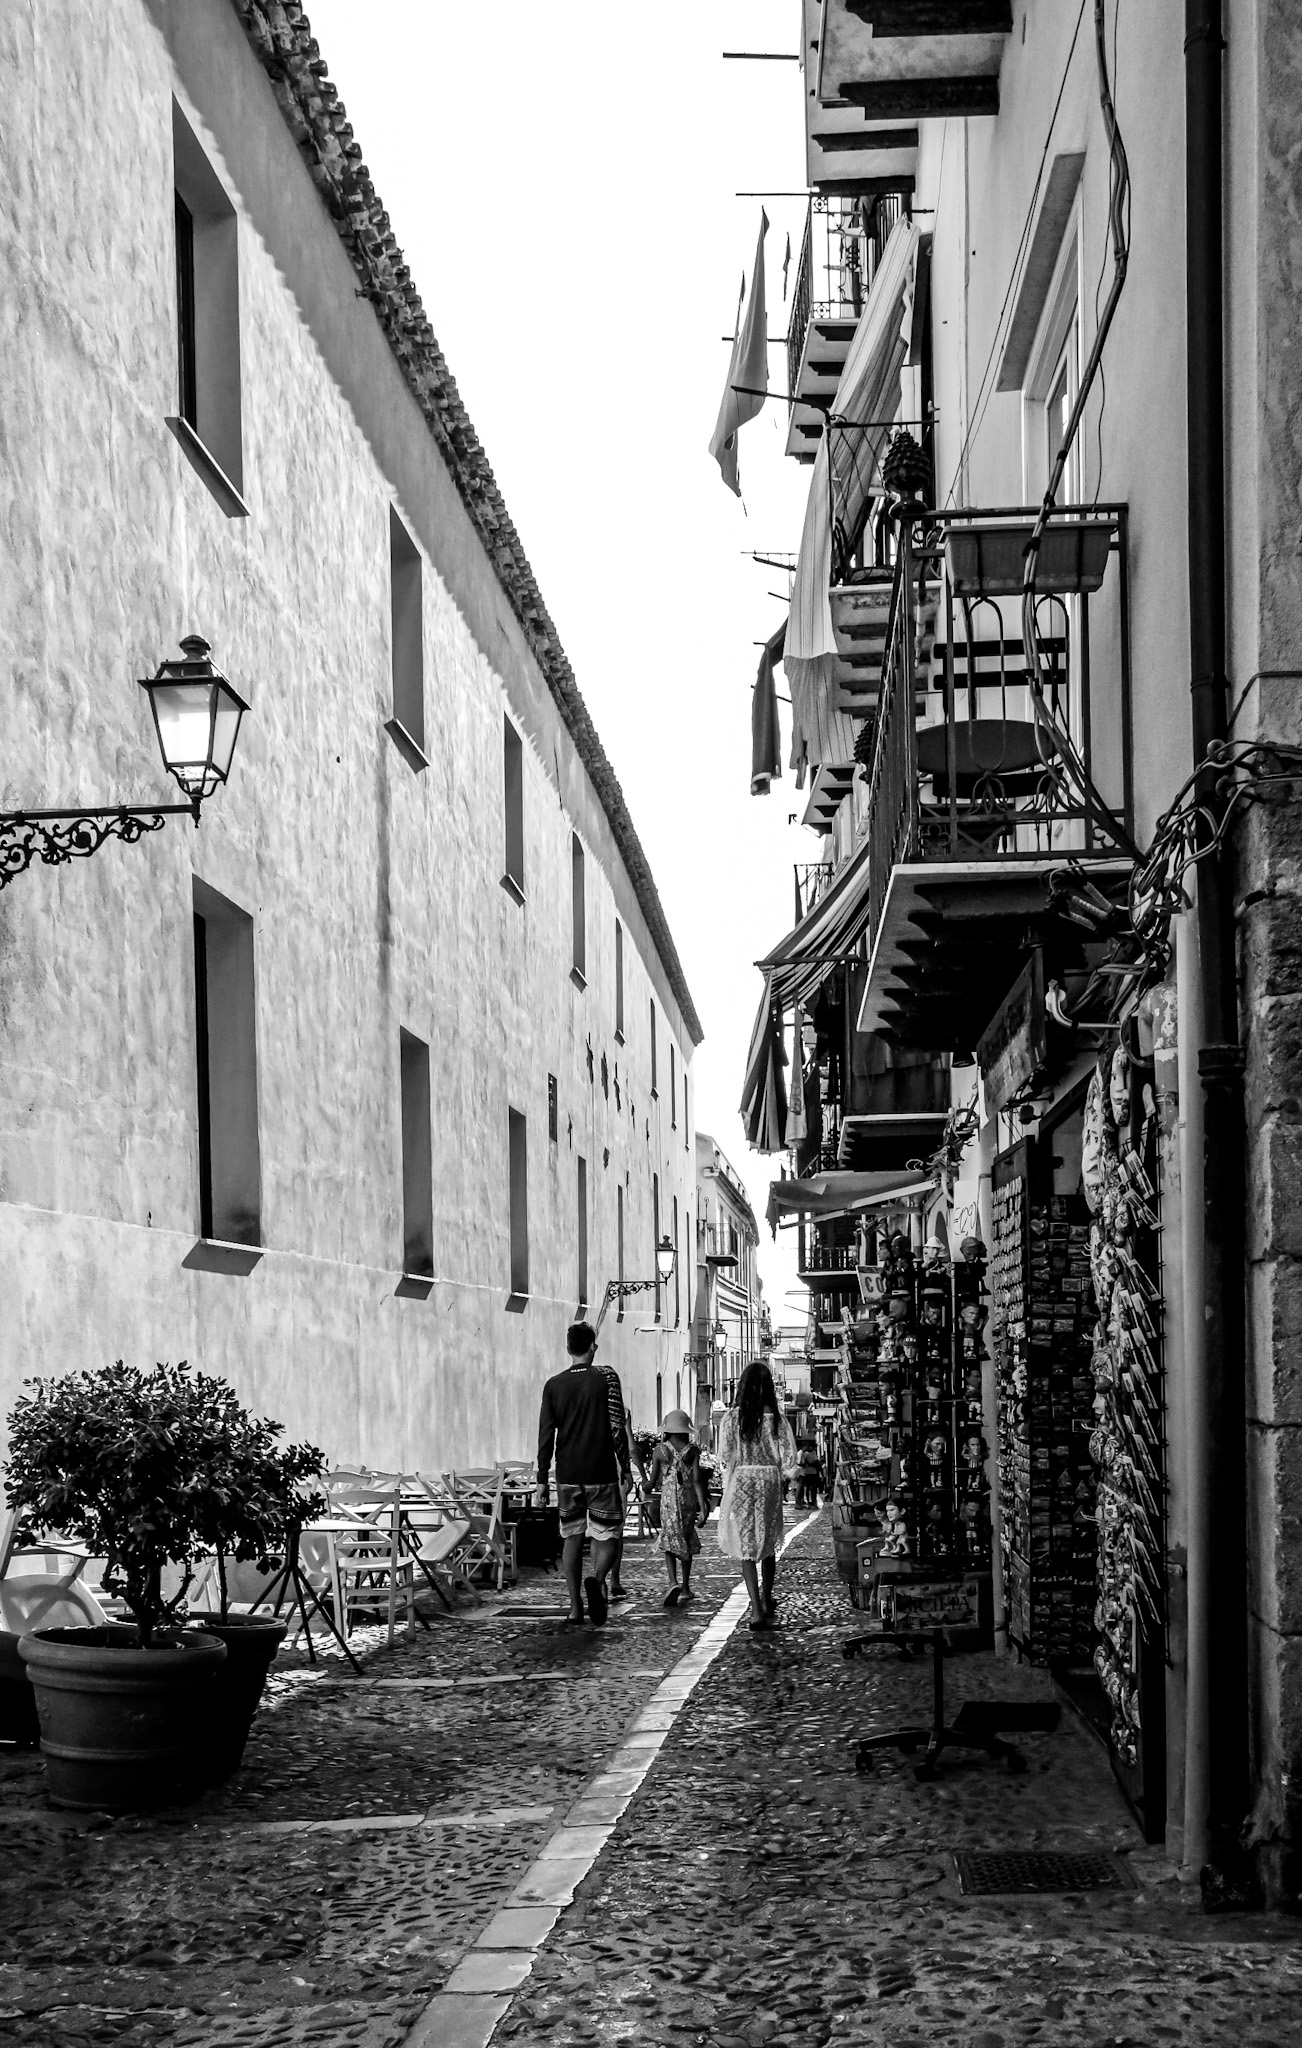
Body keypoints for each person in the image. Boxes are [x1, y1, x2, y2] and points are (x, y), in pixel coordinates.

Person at [536, 1321, 630, 1626]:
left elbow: (545, 1435)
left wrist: (541, 1479)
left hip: (567, 1474)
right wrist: (625, 1466)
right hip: (600, 1470)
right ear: (593, 1347)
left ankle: (576, 1608)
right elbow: (617, 1425)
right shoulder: (606, 1377)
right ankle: (599, 1579)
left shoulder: (553, 1385)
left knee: (571, 1538)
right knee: (610, 1533)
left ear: (568, 1348)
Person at [716, 1360, 798, 1631]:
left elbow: (726, 1456)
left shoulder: (732, 1419)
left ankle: (756, 1610)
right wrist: (783, 1477)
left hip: (743, 1480)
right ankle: (766, 1597)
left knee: (747, 1546)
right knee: (769, 1540)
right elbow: (788, 1459)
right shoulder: (777, 1419)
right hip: (769, 1481)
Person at [646, 1410, 710, 1608]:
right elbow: (698, 1480)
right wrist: (703, 1506)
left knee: (668, 1538)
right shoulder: (693, 1451)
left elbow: (652, 1483)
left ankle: (672, 1581)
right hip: (688, 1500)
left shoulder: (660, 1451)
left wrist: (643, 1486)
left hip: (667, 1501)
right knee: (686, 1538)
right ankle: (685, 1587)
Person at [796, 1439, 823, 1508]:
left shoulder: (811, 1453)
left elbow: (815, 1462)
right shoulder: (803, 1453)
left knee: (812, 1488)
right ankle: (806, 1502)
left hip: (811, 1473)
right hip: (806, 1473)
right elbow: (800, 1463)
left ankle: (812, 1502)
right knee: (806, 1488)